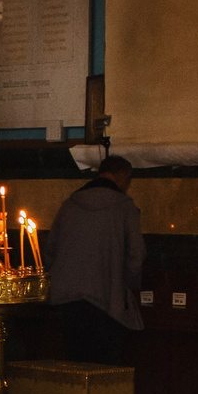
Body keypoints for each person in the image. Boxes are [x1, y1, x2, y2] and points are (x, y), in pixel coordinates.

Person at [50, 156, 147, 365]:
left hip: (68, 300)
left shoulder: (69, 205)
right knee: (104, 366)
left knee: (76, 362)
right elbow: (136, 255)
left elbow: (50, 251)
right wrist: (128, 287)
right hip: (107, 300)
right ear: (123, 177)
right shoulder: (124, 207)